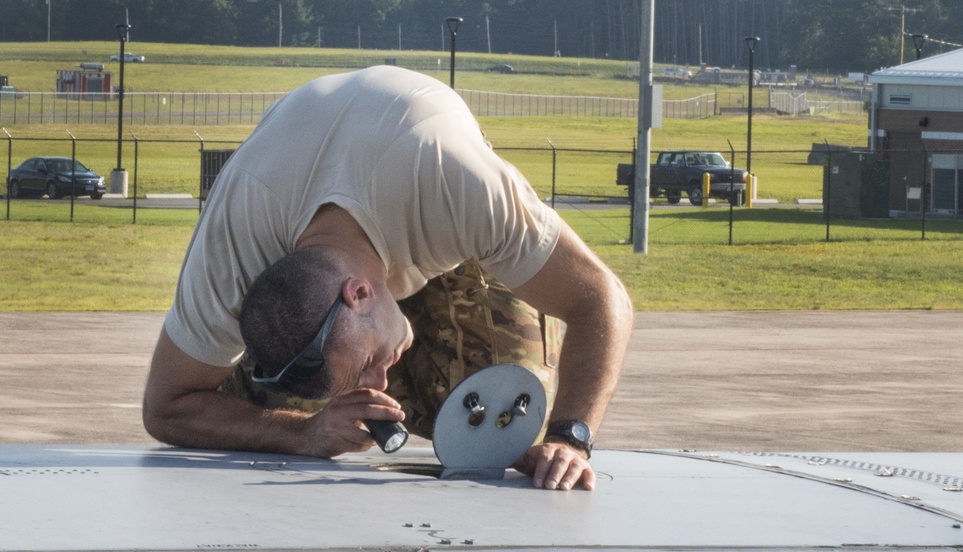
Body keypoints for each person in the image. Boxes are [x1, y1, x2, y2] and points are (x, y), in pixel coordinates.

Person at [142, 66, 633, 491]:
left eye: (372, 363)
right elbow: (167, 407)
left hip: (438, 222)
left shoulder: (457, 186)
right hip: (315, 198)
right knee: (291, 386)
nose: (380, 384)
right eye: (369, 373)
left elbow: (602, 300)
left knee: (502, 414)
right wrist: (302, 432)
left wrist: (571, 438)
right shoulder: (235, 243)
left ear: (359, 293)